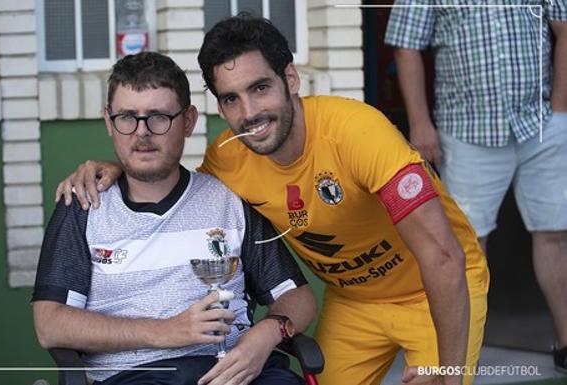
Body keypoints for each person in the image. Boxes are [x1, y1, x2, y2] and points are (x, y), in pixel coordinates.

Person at [55, 16, 489, 385]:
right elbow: (176, 192)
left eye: (260, 88)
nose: (249, 113)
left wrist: (449, 369)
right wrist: (116, 168)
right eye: (231, 98)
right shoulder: (226, 160)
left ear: (291, 79)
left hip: (434, 289)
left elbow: (443, 258)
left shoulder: (358, 132)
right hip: (355, 299)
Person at [32, 51, 316, 385]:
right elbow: (50, 325)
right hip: (136, 376)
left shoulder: (228, 199)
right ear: (109, 122)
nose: (142, 133)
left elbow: (297, 297)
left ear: (188, 122)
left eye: (159, 117)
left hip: (237, 371)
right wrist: (166, 332)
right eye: (127, 117)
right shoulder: (84, 205)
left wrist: (268, 334)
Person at [385, 0, 567, 372]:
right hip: (467, 132)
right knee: (466, 244)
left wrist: (561, 106)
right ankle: (462, 354)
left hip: (542, 124)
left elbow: (564, 27)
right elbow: (406, 45)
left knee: (556, 234)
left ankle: (566, 342)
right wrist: (420, 123)